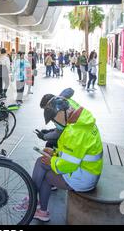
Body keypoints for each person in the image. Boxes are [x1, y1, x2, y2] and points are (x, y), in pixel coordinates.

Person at [15, 89, 103, 221]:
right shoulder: (81, 119)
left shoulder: (74, 132)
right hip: (88, 171)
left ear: (60, 115)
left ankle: (35, 203)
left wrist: (51, 161)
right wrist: (55, 153)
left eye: (54, 120)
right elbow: (74, 154)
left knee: (44, 172)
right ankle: (36, 203)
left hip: (83, 179)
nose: (54, 124)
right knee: (42, 163)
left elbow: (67, 166)